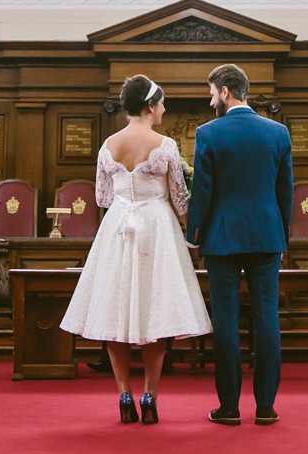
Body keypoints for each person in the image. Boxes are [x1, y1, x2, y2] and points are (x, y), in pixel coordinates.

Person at [60, 74, 211, 425]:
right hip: (156, 227)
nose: (164, 108)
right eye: (161, 103)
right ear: (149, 105)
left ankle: (123, 392)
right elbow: (181, 200)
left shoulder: (108, 145)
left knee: (115, 311)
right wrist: (195, 234)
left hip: (118, 228)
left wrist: (128, 198)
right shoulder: (166, 145)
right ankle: (150, 394)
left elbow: (101, 198)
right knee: (154, 312)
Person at [185, 63, 293, 427]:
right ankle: (266, 407)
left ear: (226, 92)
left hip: (222, 237)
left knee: (226, 323)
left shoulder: (209, 133)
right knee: (267, 321)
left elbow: (202, 191)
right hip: (267, 236)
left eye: (212, 92)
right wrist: (282, 239)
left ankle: (229, 407)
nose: (210, 98)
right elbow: (285, 192)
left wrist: (193, 238)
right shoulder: (278, 133)